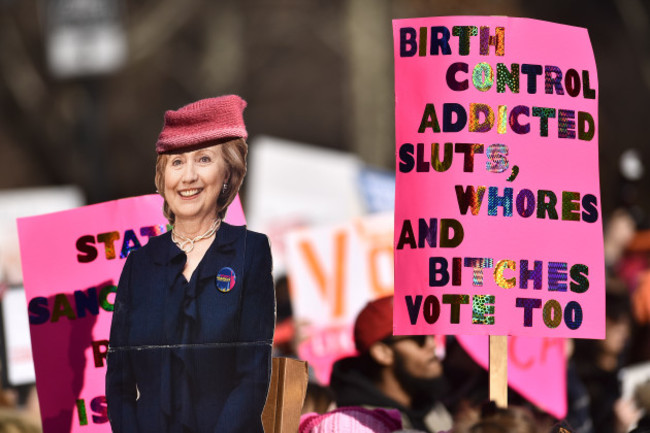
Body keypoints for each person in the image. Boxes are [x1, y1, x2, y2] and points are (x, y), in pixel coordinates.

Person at [105, 95, 275, 433]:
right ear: (163, 176)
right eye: (177, 162)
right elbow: (119, 381)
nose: (188, 176)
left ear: (228, 173)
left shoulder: (251, 251)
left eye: (204, 159)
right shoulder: (140, 263)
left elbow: (252, 377)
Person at [329, 296, 452, 433]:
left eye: (432, 334)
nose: (432, 344)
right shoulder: (354, 425)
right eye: (419, 338)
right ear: (382, 353)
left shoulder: (434, 405)